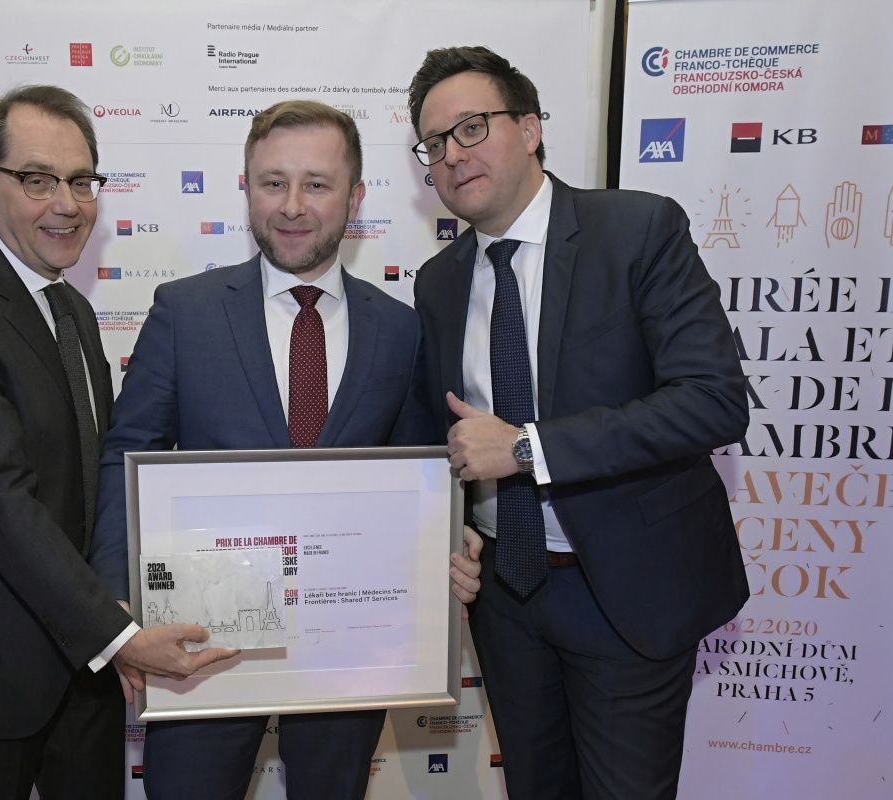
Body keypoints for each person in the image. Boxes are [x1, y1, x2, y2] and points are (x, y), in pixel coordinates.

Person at [408, 47, 750, 800]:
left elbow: (713, 399)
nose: (451, 155)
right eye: (433, 143)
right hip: (507, 600)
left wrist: (528, 448)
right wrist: (454, 524)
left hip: (626, 589)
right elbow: (449, 438)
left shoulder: (636, 230)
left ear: (530, 128)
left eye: (471, 128)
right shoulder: (437, 284)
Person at [0, 84, 234, 800]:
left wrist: (119, 617)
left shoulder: (71, 308)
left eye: (81, 181)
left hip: (86, 664)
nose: (67, 204)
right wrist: (119, 634)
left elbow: (91, 481)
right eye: (37, 180)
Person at [93, 99, 434, 800]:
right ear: (247, 188)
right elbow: (127, 457)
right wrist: (116, 606)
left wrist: (443, 550)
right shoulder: (185, 313)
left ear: (355, 198)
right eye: (274, 182)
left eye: (317, 184)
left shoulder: (400, 330)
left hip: (347, 644)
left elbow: (415, 485)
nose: (293, 206)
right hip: (203, 640)